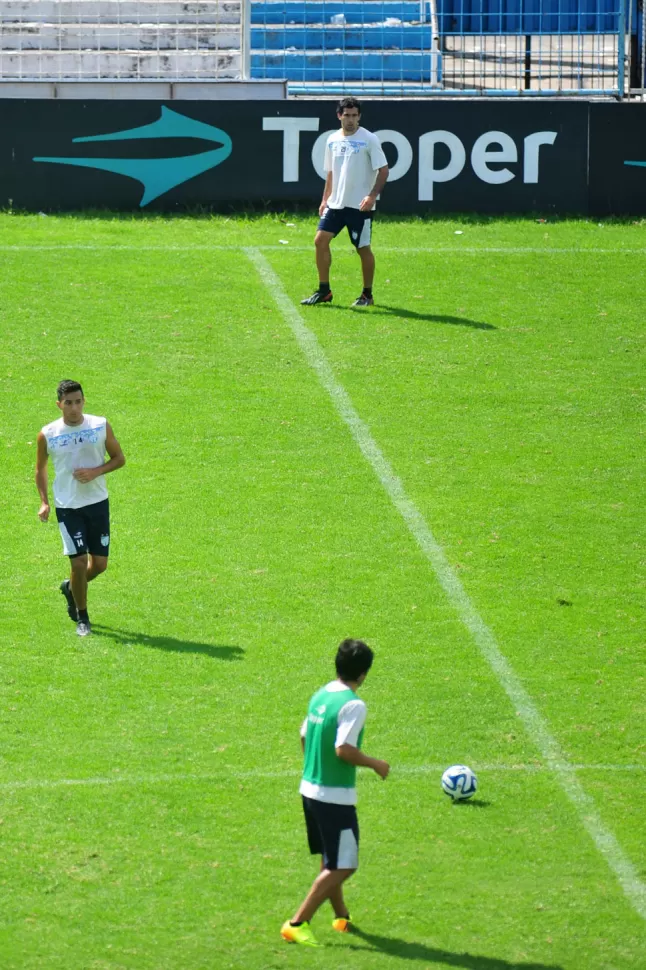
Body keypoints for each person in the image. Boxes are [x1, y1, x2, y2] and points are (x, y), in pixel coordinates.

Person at [281, 638, 390, 947]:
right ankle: (297, 922)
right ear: (364, 673)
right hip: (334, 798)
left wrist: (313, 768)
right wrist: (375, 764)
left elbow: (304, 734)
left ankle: (341, 916)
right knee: (344, 864)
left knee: (331, 859)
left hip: (310, 789)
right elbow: (343, 749)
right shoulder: (353, 705)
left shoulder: (321, 695)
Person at [35, 380, 126, 637]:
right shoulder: (48, 434)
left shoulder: (99, 425)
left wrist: (96, 471)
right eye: (68, 403)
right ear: (59, 405)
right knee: (78, 563)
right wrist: (44, 502)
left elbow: (120, 459)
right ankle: (82, 617)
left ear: (83, 401)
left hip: (97, 503)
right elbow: (40, 469)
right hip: (68, 507)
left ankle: (70, 588)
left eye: (78, 402)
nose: (74, 408)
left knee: (99, 566)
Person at [301, 97, 389, 308]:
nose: (351, 120)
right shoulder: (332, 140)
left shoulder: (369, 139)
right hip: (336, 204)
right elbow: (331, 173)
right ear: (339, 115)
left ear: (359, 116)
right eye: (347, 115)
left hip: (359, 206)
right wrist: (325, 199)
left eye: (354, 116)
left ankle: (367, 295)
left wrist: (371, 196)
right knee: (320, 241)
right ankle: (324, 291)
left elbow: (383, 170)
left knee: (362, 249)